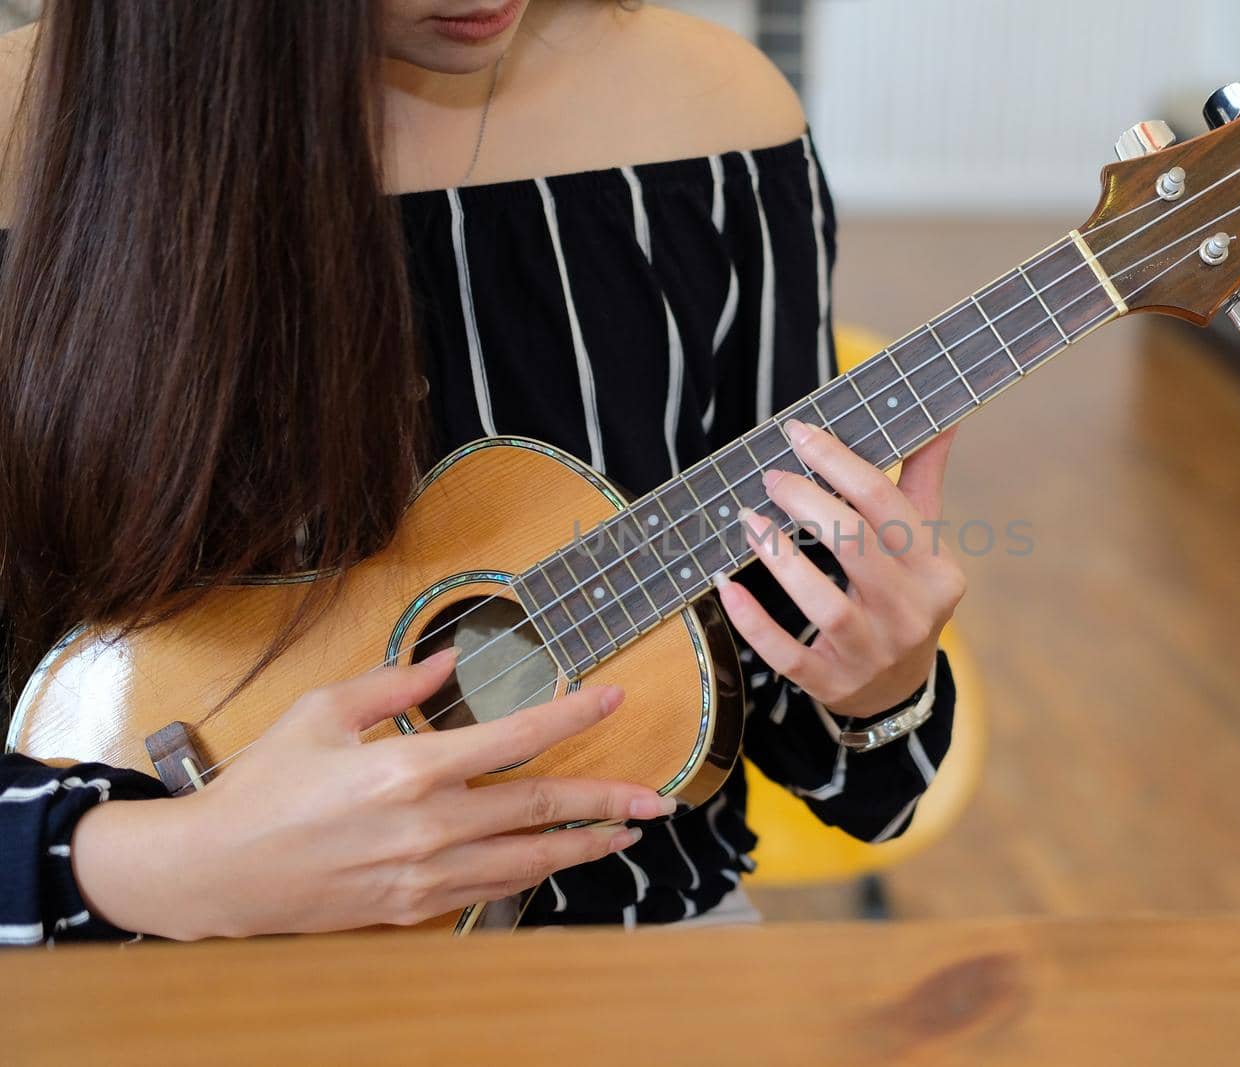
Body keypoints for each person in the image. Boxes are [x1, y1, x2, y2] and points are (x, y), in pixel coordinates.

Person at [0, 0, 960, 945]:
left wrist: (882, 686)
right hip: (130, 974)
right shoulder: (23, 135)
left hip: (629, 949)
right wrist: (171, 861)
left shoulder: (717, 124)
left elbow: (815, 737)